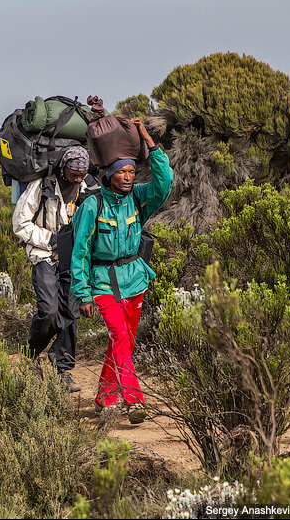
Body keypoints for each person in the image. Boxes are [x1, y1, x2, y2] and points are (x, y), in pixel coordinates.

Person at [71, 118, 173, 424]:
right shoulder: (93, 206)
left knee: (124, 342)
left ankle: (104, 396)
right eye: (122, 173)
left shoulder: (139, 198)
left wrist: (148, 142)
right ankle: (134, 400)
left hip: (135, 280)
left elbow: (165, 181)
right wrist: (82, 293)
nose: (127, 177)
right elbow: (80, 252)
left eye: (131, 171)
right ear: (110, 175)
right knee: (118, 336)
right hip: (103, 283)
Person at [13, 145, 98, 392]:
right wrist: (50, 240)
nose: (79, 178)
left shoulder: (91, 188)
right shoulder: (42, 186)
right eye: (74, 174)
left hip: (76, 260)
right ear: (63, 168)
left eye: (82, 173)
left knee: (70, 315)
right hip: (45, 256)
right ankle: (31, 351)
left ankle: (62, 370)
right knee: (49, 311)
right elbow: (20, 223)